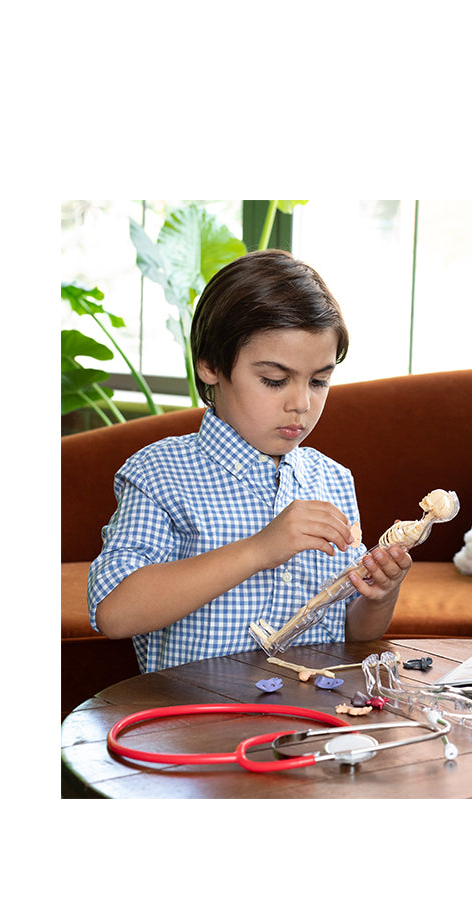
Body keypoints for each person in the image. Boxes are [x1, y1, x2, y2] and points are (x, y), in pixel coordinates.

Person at [88, 250, 412, 672]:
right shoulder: (160, 473)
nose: (301, 403)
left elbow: (351, 634)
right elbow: (114, 612)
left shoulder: (333, 479)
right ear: (210, 366)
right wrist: (261, 549)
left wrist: (380, 595)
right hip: (200, 710)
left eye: (319, 381)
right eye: (274, 380)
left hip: (309, 708)